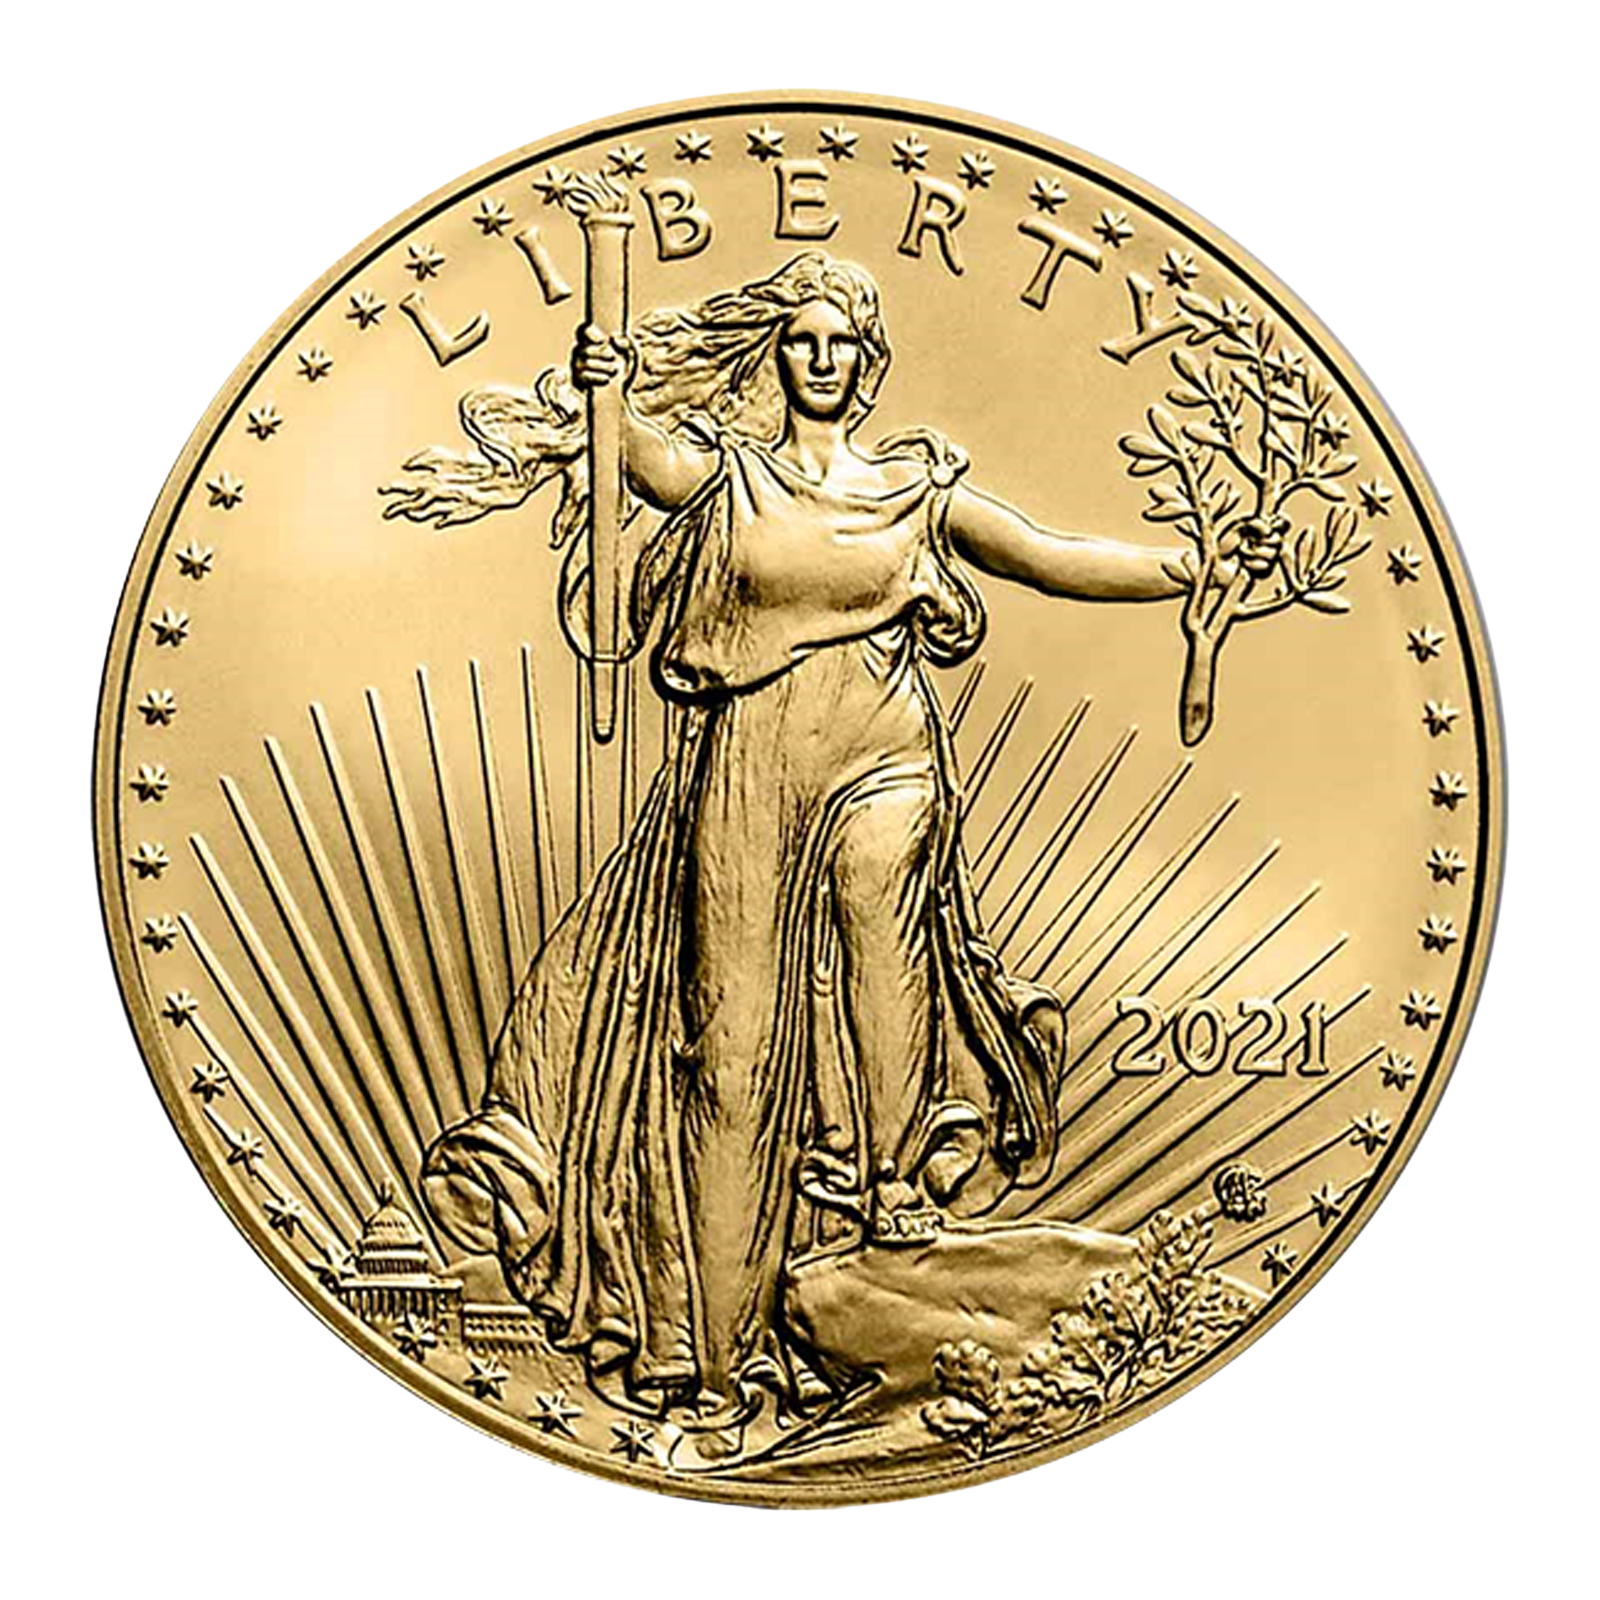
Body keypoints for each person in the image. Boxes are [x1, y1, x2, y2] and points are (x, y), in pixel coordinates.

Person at [415, 251, 1278, 1434]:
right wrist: (604, 391)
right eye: (802, 340)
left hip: (886, 754)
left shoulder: (912, 490)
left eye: (841, 342)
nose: (820, 359)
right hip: (748, 769)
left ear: (869, 362)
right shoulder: (731, 476)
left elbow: (1048, 553)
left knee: (884, 925)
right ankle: (709, 1347)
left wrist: (1186, 569)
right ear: (778, 356)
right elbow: (647, 460)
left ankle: (888, 1181)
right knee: (731, 1051)